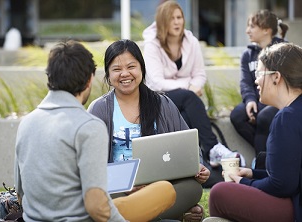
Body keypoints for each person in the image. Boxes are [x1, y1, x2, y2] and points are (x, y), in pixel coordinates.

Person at [14, 40, 176, 222]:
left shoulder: (26, 123)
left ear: (49, 77)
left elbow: (20, 192)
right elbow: (96, 206)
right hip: (85, 217)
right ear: (90, 79)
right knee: (165, 190)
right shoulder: (88, 126)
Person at [88, 39, 210, 221]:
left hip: (159, 186)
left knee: (192, 188)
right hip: (119, 189)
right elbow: (91, 167)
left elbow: (188, 148)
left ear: (142, 68)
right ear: (107, 74)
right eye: (116, 69)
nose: (125, 74)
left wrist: (198, 166)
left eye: (131, 66)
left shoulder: (162, 103)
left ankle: (132, 216)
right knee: (103, 197)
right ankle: (168, 214)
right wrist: (124, 186)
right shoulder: (99, 109)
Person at [142, 0, 244, 187]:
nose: (177, 22)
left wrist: (191, 85)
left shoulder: (192, 42)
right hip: (159, 99)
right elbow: (155, 82)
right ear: (162, 21)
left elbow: (200, 75)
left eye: (179, 17)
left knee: (185, 115)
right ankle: (213, 148)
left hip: (184, 103)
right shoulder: (152, 45)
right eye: (171, 18)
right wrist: (188, 86)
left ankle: (195, 167)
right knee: (189, 97)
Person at [208, 42, 302, 222]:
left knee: (220, 192)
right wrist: (253, 174)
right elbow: (291, 173)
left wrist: (243, 182)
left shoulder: (286, 118)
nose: (255, 80)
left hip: (295, 207)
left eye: (259, 73)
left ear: (276, 77)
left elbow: (282, 185)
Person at [230, 10, 289, 167]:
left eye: (252, 26)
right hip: (257, 99)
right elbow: (246, 82)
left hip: (278, 101)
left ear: (266, 30)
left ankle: (261, 163)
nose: (247, 30)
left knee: (263, 117)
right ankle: (267, 155)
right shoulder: (247, 55)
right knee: (237, 115)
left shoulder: (283, 50)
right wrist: (249, 100)